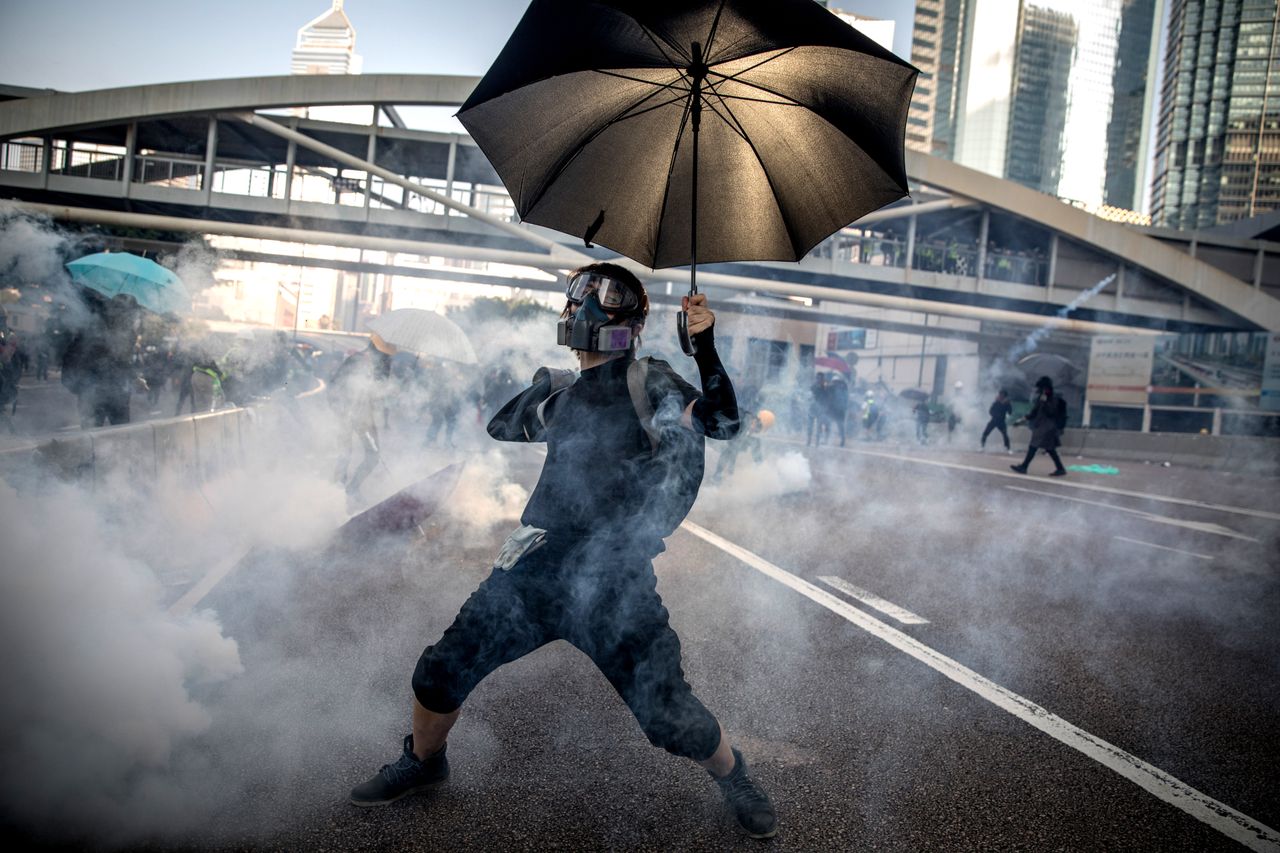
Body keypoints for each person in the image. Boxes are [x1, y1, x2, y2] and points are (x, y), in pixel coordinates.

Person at [349, 262, 777, 839]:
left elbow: (724, 422)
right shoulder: (565, 391)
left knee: (672, 717)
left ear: (630, 320)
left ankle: (736, 778)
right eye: (576, 298)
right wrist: (546, 384)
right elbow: (504, 426)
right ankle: (424, 763)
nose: (579, 309)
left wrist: (701, 343)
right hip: (537, 566)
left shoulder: (651, 382)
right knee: (440, 672)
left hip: (615, 579)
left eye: (602, 298)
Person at [331, 334, 395, 503]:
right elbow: (334, 387)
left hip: (365, 417)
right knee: (344, 454)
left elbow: (379, 393)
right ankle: (335, 495)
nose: (388, 357)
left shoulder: (382, 366)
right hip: (346, 414)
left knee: (373, 455)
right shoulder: (355, 361)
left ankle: (351, 489)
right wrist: (341, 411)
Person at [1010, 376, 1068, 476]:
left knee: (1033, 446)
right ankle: (1060, 468)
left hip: (1047, 427)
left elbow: (1051, 412)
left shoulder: (1053, 399)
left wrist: (1045, 402)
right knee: (1050, 449)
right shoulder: (1041, 399)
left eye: (1042, 388)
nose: (1040, 390)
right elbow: (1034, 412)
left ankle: (1024, 466)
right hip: (1041, 426)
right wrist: (1021, 420)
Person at [710, 408, 772, 483]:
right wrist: (730, 472)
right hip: (714, 434)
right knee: (729, 449)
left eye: (757, 431)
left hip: (723, 434)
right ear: (756, 421)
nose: (755, 432)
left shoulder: (747, 418)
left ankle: (760, 468)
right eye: (757, 429)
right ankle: (717, 475)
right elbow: (733, 449)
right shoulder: (744, 421)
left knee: (755, 442)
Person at [980, 389, 1013, 453]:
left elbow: (1010, 412)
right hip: (994, 420)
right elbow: (990, 411)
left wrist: (1007, 413)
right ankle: (982, 447)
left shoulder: (1007, 403)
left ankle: (1008, 449)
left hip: (1001, 422)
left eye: (1002, 394)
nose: (1000, 395)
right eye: (1000, 394)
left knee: (1005, 435)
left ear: (1005, 396)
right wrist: (994, 415)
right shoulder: (996, 402)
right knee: (985, 433)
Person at [825, 372, 849, 447]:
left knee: (828, 424)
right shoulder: (844, 387)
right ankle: (842, 441)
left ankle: (826, 440)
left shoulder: (831, 387)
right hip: (841, 410)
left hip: (833, 409)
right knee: (840, 426)